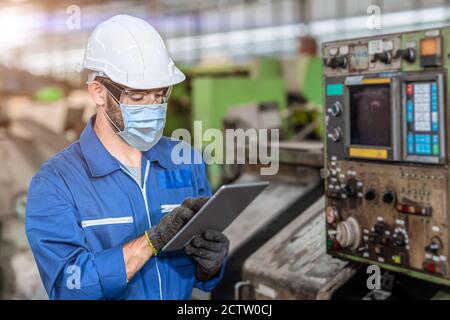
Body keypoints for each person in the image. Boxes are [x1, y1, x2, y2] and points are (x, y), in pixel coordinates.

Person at [25, 15, 229, 300]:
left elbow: (202, 279)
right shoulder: (56, 182)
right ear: (98, 92)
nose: (153, 107)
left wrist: (211, 266)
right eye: (138, 97)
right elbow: (67, 287)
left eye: (160, 95)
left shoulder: (186, 160)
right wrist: (150, 242)